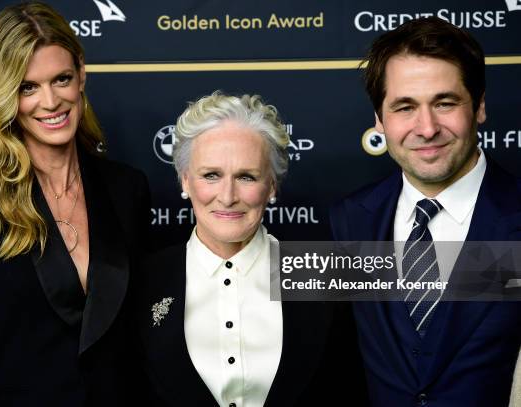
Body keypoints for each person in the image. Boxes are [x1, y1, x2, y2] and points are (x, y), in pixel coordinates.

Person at [0, 2, 150, 405]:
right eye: (28, 87)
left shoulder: (127, 188)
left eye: (61, 79)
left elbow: (147, 324)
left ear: (81, 74)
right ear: (3, 94)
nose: (50, 102)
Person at [329, 17, 521, 406]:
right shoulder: (350, 220)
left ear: (480, 107)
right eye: (404, 107)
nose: (427, 127)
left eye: (445, 103)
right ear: (380, 120)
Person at [135, 92, 367, 406]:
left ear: (272, 185)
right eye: (211, 175)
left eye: (246, 176)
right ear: (185, 180)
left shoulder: (324, 273)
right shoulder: (141, 281)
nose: (228, 196)